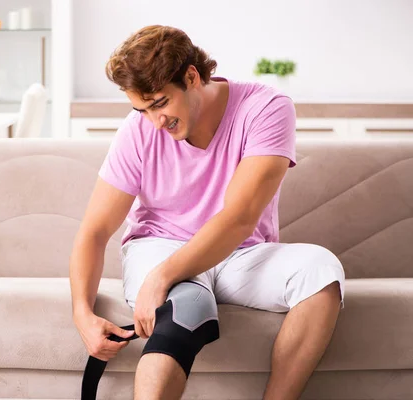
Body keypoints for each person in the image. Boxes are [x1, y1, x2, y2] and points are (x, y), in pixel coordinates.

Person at [69, 25, 345, 400]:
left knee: (321, 271)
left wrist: (159, 279)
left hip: (240, 251)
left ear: (192, 76)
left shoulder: (265, 109)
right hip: (159, 244)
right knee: (187, 305)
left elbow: (240, 217)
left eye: (160, 103)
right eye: (141, 109)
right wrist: (82, 314)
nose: (154, 122)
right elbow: (95, 231)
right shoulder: (138, 131)